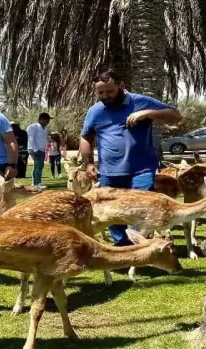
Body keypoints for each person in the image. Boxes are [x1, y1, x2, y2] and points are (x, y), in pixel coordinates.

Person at [80, 70, 183, 246]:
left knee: (141, 209)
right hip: (109, 171)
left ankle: (137, 247)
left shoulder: (140, 102)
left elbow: (175, 117)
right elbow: (85, 137)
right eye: (101, 93)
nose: (105, 96)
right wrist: (88, 163)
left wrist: (147, 113)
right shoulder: (95, 111)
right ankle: (123, 247)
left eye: (109, 91)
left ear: (121, 86)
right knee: (112, 212)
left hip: (141, 169)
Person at [27, 113, 51, 189]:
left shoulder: (44, 129)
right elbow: (31, 138)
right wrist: (35, 149)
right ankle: (37, 183)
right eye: (47, 120)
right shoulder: (33, 127)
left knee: (39, 166)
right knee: (38, 166)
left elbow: (45, 139)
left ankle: (35, 183)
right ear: (42, 119)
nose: (48, 122)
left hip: (41, 149)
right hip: (35, 149)